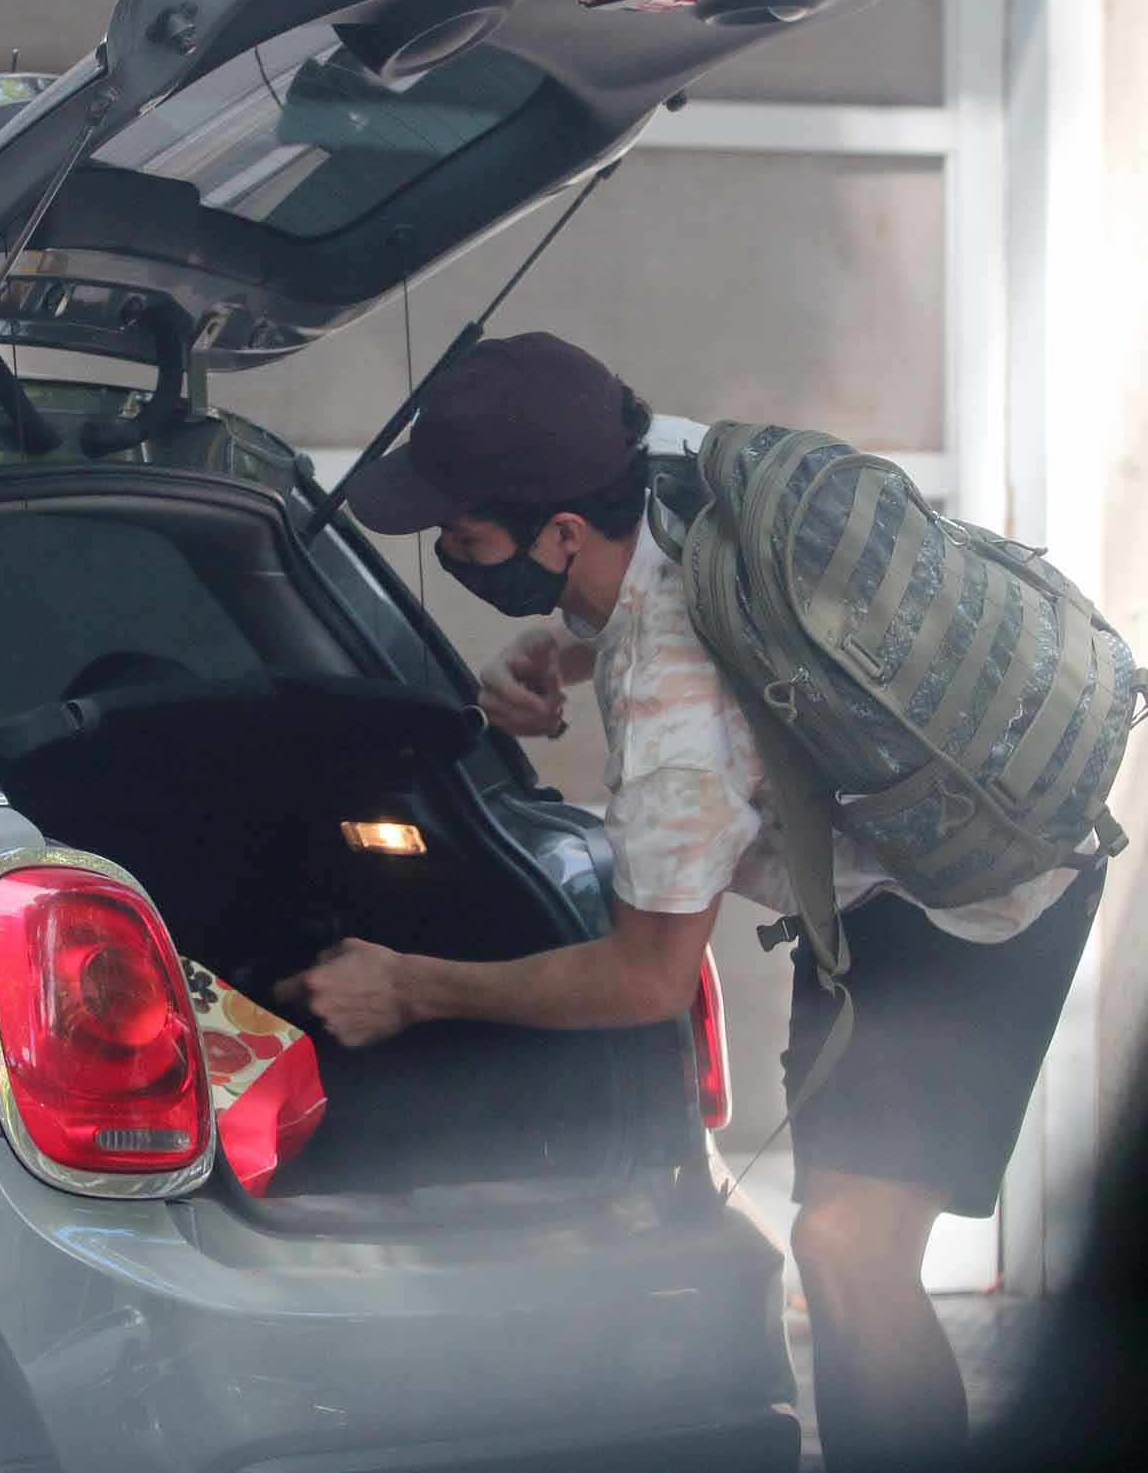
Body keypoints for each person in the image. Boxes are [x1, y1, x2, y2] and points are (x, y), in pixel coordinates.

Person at [274, 332, 1102, 1473]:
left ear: (560, 532)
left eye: (459, 533)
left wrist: (409, 987)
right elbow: (677, 597)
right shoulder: (673, 470)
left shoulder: (670, 718)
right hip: (904, 859)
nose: (444, 549)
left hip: (972, 900)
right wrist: (558, 654)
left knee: (846, 1247)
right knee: (843, 1238)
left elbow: (643, 976)